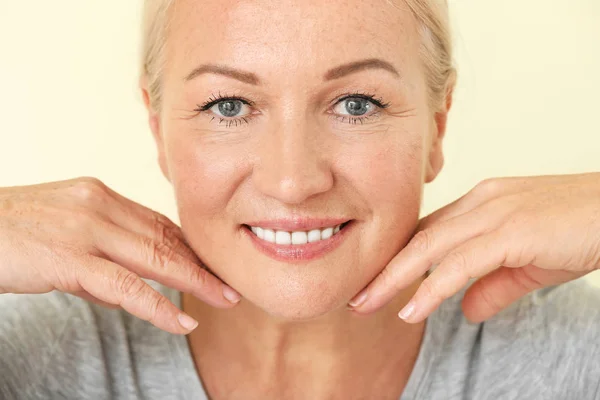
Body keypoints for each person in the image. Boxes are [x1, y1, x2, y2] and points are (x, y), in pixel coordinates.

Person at [1, 0, 599, 399]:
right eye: (228, 106)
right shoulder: (30, 356)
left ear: (436, 128)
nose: (292, 181)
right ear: (159, 131)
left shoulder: (572, 354)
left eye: (357, 104)